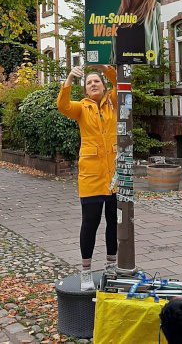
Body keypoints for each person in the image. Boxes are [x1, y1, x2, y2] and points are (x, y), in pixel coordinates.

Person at [56, 64, 117, 291]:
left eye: (97, 81)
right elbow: (62, 106)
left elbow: (121, 84)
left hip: (114, 176)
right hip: (91, 175)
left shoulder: (114, 101)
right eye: (89, 82)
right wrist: (70, 77)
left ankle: (111, 267)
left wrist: (105, 69)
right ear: (85, 89)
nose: (93, 84)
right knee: (90, 223)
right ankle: (86, 271)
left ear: (103, 86)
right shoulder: (81, 108)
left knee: (114, 222)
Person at [108, 0, 160, 66]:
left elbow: (159, 47)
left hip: (144, 76)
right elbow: (113, 53)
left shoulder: (156, 9)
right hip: (120, 74)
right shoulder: (119, 14)